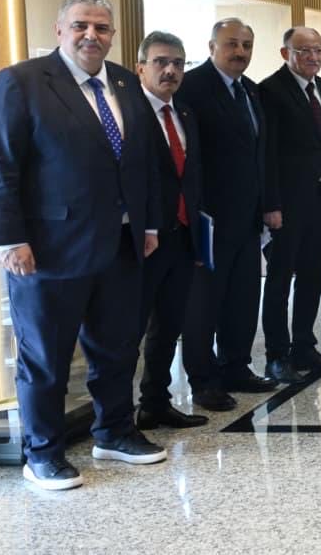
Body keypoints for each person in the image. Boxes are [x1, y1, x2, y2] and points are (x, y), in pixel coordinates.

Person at [0, 0, 166, 490]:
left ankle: (115, 432)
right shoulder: (22, 82)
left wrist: (147, 225)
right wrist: (9, 239)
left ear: (113, 36)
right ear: (59, 30)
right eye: (81, 25)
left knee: (117, 349)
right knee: (46, 359)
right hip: (48, 250)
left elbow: (143, 162)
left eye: (102, 28)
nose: (91, 36)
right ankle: (42, 453)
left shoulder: (124, 82)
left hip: (121, 244)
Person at [178, 19, 275, 411]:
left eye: (247, 45)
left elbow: (260, 152)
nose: (240, 52)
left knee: (243, 297)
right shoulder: (192, 87)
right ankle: (204, 380)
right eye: (232, 44)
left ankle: (236, 366)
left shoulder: (249, 89)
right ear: (211, 46)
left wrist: (268, 204)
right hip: (210, 218)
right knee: (205, 303)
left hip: (247, 217)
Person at [258, 26, 321, 383]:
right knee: (280, 279)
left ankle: (304, 346)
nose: (313, 57)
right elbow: (266, 153)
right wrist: (271, 203)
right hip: (286, 204)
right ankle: (277, 355)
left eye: (318, 51)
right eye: (304, 50)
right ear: (286, 54)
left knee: (313, 275)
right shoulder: (270, 90)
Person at [132, 31, 207, 431]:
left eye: (178, 63)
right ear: (141, 67)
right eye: (161, 62)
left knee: (168, 326)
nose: (170, 71)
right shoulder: (130, 114)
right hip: (143, 239)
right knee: (131, 330)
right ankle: (117, 417)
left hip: (181, 236)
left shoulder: (185, 114)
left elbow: (191, 178)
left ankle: (155, 403)